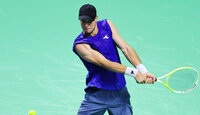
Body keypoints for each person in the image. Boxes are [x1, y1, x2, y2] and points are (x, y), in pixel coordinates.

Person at [73, 4, 155, 115]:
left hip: (120, 93)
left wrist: (143, 71)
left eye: (89, 21)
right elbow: (104, 63)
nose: (86, 25)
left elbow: (125, 48)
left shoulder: (107, 25)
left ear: (96, 18)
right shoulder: (80, 44)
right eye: (83, 22)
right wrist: (135, 73)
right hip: (97, 95)